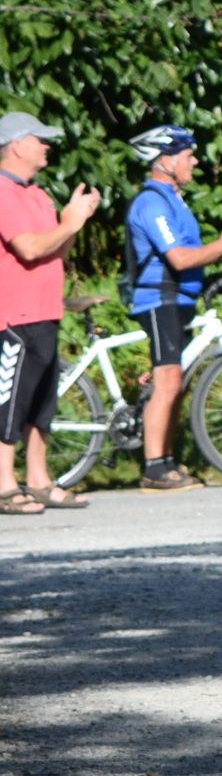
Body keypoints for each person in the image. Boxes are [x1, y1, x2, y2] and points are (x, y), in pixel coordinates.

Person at [121, 123, 222, 492]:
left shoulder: (175, 201)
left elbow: (194, 253)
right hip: (160, 299)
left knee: (176, 383)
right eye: (188, 155)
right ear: (166, 160)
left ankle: (166, 460)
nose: (195, 161)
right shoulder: (152, 202)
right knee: (167, 380)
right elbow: (180, 258)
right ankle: (154, 469)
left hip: (180, 298)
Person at [0, 112, 99, 513]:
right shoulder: (2, 192)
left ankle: (39, 480)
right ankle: (4, 484)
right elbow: (28, 248)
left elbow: (56, 247)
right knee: (10, 401)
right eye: (39, 139)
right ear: (17, 145)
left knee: (42, 402)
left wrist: (75, 221)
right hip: (13, 314)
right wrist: (69, 222)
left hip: (44, 310)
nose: (46, 146)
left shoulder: (38, 194)